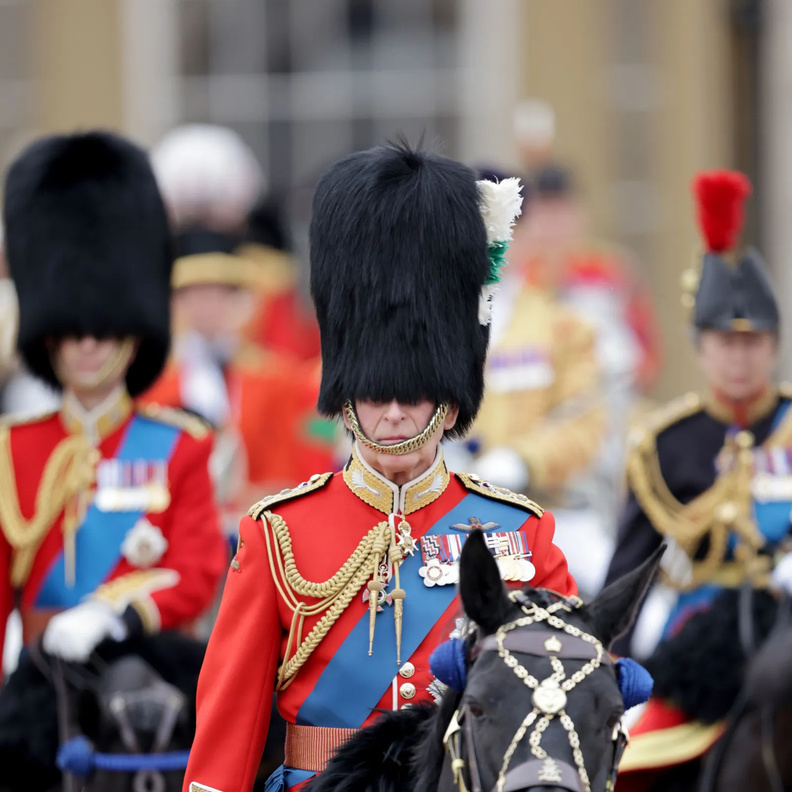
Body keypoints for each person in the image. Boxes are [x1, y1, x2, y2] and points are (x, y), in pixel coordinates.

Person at [183, 143, 577, 792]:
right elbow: (227, 735)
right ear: (346, 396)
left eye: (412, 393)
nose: (393, 413)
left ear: (449, 402)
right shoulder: (277, 533)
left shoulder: (521, 533)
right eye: (374, 393)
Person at [0, 131, 227, 667]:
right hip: (41, 677)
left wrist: (113, 613)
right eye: (71, 333)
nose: (86, 347)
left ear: (131, 338)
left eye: (101, 332)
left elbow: (196, 573)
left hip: (147, 664)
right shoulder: (13, 449)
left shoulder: (181, 445)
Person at [605, 171, 792, 784]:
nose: (740, 356)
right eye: (725, 342)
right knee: (628, 765)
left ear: (773, 345)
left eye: (754, 341)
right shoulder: (666, 444)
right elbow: (629, 572)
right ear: (701, 347)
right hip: (704, 626)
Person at [144, 126, 336, 530]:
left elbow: (309, 452)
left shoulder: (279, 378)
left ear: (241, 300)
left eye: (219, 294)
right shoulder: (155, 385)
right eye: (193, 295)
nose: (206, 308)